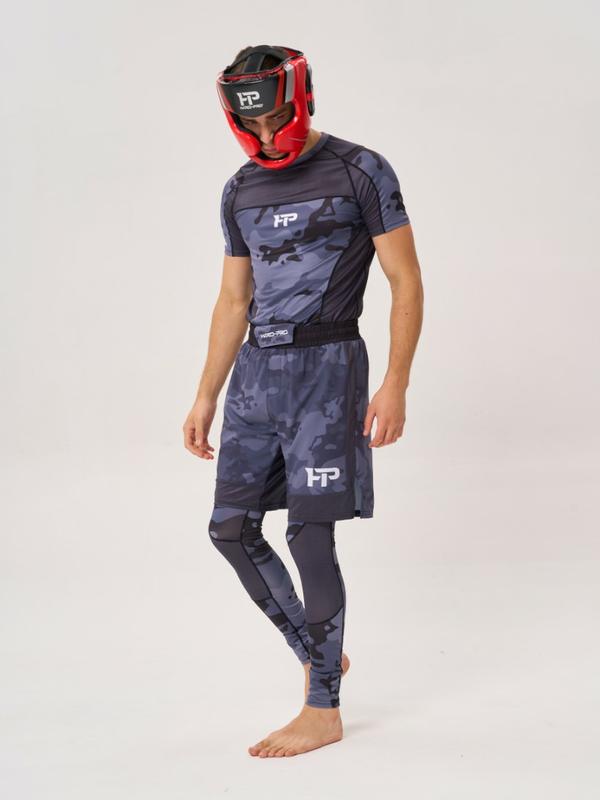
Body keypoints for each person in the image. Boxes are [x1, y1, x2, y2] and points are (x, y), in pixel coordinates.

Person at [183, 44, 424, 757]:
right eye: (250, 125)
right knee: (230, 528)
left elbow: (406, 281)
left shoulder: (360, 169)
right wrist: (205, 395)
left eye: (275, 118)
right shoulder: (239, 189)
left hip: (328, 367)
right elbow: (234, 300)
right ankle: (317, 651)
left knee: (310, 534)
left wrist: (396, 382)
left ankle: (322, 708)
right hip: (257, 375)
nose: (265, 136)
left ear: (301, 98)